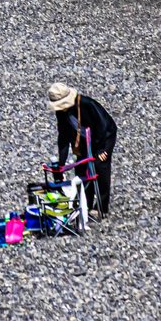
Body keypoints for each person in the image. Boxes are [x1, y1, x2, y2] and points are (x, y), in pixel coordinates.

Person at [49, 83, 117, 219]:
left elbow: (107, 127)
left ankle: (101, 207)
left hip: (103, 140)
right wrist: (61, 163)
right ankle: (85, 205)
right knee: (81, 172)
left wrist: (105, 150)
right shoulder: (61, 112)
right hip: (83, 143)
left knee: (100, 169)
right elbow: (63, 136)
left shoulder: (87, 104)